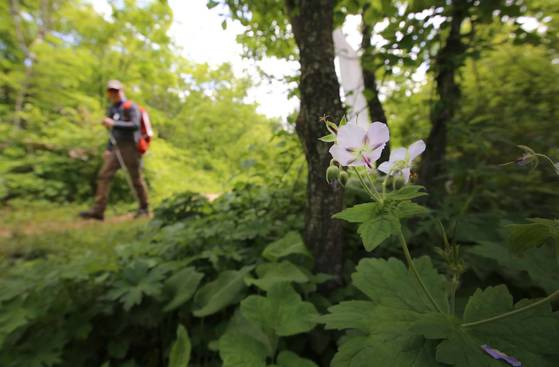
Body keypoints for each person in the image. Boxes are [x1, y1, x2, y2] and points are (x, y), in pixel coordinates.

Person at [79, 80, 149, 220]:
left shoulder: (131, 106)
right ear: (108, 93)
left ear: (121, 91)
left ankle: (144, 208)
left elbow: (134, 125)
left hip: (131, 146)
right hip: (116, 147)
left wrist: (114, 123)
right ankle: (98, 211)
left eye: (116, 91)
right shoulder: (112, 109)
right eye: (111, 91)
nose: (113, 94)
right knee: (104, 175)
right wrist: (108, 148)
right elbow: (112, 133)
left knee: (135, 178)